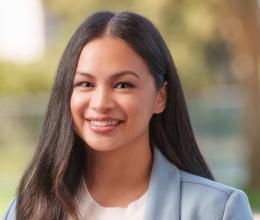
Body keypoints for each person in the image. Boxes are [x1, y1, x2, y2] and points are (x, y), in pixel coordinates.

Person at [3, 11, 253, 220]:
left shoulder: (217, 210)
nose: (100, 103)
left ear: (160, 97)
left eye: (123, 85)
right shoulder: (26, 211)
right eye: (85, 84)